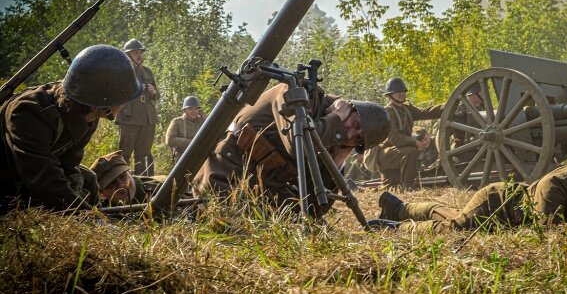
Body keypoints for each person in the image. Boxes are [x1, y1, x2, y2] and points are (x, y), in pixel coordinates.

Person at [192, 82, 391, 217]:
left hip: (263, 196)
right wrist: (336, 122)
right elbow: (298, 145)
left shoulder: (329, 136)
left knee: (313, 232)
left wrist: (337, 162)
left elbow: (314, 209)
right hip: (225, 178)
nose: (348, 136)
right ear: (348, 107)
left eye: (357, 140)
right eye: (355, 126)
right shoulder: (299, 92)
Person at [377, 129, 567, 231]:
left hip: (505, 213)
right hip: (496, 205)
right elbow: (547, 231)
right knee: (453, 229)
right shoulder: (556, 185)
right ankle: (395, 226)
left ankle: (399, 207)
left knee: (449, 214)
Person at [0, 45, 141, 213]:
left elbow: (68, 167)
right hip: (11, 181)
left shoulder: (89, 116)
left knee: (87, 179)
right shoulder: (27, 113)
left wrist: (87, 207)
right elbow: (45, 181)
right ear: (102, 103)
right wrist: (90, 217)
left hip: (34, 175)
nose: (125, 105)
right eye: (122, 99)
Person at [376, 77, 445, 190]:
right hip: (385, 154)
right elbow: (394, 138)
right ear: (390, 95)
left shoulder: (407, 109)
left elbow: (425, 113)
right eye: (397, 92)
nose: (401, 94)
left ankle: (403, 185)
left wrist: (447, 105)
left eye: (403, 91)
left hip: (398, 153)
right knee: (411, 151)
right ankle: (407, 188)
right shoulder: (387, 112)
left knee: (390, 187)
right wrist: (414, 141)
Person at [116, 38, 159, 175]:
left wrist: (153, 92)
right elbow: (119, 91)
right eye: (135, 52)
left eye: (140, 52)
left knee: (143, 154)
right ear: (128, 54)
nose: (139, 55)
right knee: (125, 153)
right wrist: (140, 87)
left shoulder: (147, 71)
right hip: (130, 117)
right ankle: (122, 180)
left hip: (148, 117)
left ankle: (141, 183)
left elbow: (157, 96)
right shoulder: (122, 72)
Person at [89, 151, 165, 207]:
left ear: (130, 173)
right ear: (102, 194)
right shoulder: (96, 208)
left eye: (123, 177)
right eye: (111, 184)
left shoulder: (162, 190)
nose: (121, 185)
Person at [166, 95, 206, 164]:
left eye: (196, 109)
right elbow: (169, 140)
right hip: (182, 156)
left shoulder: (202, 121)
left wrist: (205, 119)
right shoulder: (177, 122)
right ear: (185, 110)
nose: (193, 111)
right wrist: (191, 142)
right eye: (190, 109)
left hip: (200, 155)